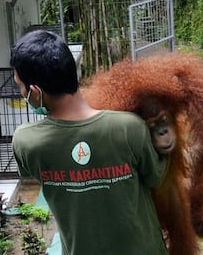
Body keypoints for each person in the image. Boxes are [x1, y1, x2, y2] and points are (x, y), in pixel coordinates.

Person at [10, 30, 168, 255]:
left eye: (20, 86)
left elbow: (33, 172)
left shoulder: (26, 141)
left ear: (35, 92)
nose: (21, 92)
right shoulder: (129, 127)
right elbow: (155, 177)